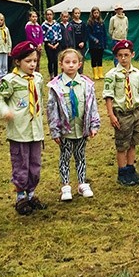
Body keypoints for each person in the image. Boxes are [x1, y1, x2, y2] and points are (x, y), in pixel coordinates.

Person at [0, 41, 46, 215]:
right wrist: (5, 110)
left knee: (35, 165)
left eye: (34, 61)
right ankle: (21, 197)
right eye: (28, 61)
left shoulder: (38, 79)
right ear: (17, 62)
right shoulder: (10, 81)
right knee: (21, 164)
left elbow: (40, 101)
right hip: (19, 131)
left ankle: (31, 194)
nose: (32, 64)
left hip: (35, 131)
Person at [47, 48, 100, 201]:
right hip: (65, 131)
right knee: (65, 157)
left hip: (81, 129)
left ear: (80, 64)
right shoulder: (55, 87)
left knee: (80, 156)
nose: (71, 65)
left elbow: (93, 106)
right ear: (61, 64)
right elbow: (52, 109)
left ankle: (82, 183)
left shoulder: (86, 84)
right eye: (67, 62)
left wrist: (94, 125)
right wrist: (55, 131)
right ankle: (65, 186)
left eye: (74, 62)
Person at [103, 40, 139, 185]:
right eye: (120, 55)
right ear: (116, 57)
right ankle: (122, 173)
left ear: (132, 55)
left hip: (135, 112)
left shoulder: (137, 73)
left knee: (133, 142)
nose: (123, 58)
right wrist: (111, 114)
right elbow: (108, 95)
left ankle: (130, 168)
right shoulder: (112, 74)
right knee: (122, 144)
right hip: (122, 114)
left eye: (126, 55)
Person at [87, 6, 107, 80]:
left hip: (101, 44)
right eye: (94, 13)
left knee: (100, 58)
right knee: (94, 58)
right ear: (92, 14)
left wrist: (104, 43)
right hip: (93, 45)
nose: (96, 14)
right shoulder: (90, 23)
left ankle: (100, 73)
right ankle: (95, 74)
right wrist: (94, 39)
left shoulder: (101, 22)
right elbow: (88, 34)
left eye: (97, 13)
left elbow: (104, 33)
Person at [42, 9, 62, 79]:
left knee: (56, 60)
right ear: (46, 16)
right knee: (50, 60)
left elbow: (59, 34)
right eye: (48, 15)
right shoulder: (44, 25)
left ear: (53, 15)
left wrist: (57, 44)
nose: (49, 16)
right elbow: (43, 36)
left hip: (56, 44)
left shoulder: (56, 24)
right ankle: (51, 75)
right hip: (48, 45)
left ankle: (56, 75)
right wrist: (49, 44)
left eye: (50, 14)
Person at [71, 7, 88, 73]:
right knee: (74, 59)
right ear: (73, 14)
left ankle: (80, 73)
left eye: (78, 13)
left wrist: (83, 42)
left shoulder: (83, 24)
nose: (77, 15)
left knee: (81, 59)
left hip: (82, 45)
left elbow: (85, 34)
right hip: (74, 45)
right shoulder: (71, 24)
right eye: (76, 13)